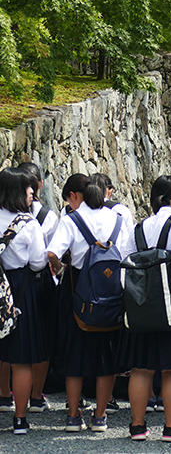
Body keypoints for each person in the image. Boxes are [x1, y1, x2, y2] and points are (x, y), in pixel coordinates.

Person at [120, 176, 171, 442]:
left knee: (141, 367)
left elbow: (126, 258)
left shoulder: (139, 227)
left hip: (142, 301)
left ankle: (137, 426)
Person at [46, 174, 126, 433]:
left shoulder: (72, 220)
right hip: (111, 292)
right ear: (103, 196)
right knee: (106, 356)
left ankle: (72, 416)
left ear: (81, 197)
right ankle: (100, 416)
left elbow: (52, 253)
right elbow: (128, 254)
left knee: (74, 354)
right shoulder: (118, 220)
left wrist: (62, 268)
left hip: (77, 289)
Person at [0, 167, 47, 435]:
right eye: (29, 188)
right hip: (18, 287)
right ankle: (19, 418)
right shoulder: (28, 224)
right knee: (21, 358)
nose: (32, 192)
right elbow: (38, 261)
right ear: (18, 191)